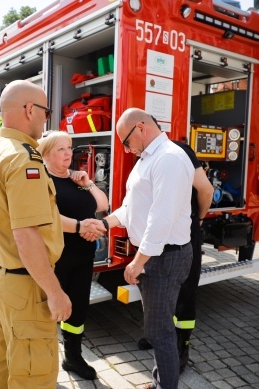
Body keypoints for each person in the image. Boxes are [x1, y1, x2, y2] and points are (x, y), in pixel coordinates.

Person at [0, 80, 104, 389]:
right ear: (30, 109)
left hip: (3, 277)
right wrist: (56, 292)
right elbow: (27, 234)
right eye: (46, 111)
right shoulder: (24, 160)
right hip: (27, 286)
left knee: (3, 361)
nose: (46, 118)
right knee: (33, 376)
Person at [99, 108, 194, 389]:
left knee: (159, 330)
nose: (126, 150)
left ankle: (166, 386)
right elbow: (132, 208)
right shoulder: (147, 159)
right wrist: (104, 223)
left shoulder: (169, 159)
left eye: (126, 142)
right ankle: (160, 380)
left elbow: (160, 219)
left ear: (140, 127)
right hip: (157, 256)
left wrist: (138, 261)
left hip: (165, 258)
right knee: (158, 326)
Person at [137, 140, 214, 373]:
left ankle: (182, 346)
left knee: (185, 292)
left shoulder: (180, 151)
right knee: (157, 289)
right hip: (156, 232)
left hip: (183, 231)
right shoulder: (146, 156)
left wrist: (197, 219)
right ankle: (159, 336)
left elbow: (206, 189)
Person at [37, 131, 109, 380]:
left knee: (77, 309)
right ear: (46, 153)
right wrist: (83, 227)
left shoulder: (75, 178)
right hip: (57, 258)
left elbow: (103, 205)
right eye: (61, 149)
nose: (68, 153)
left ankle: (73, 357)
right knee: (48, 312)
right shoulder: (42, 180)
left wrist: (88, 183)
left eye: (69, 148)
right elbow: (46, 218)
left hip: (83, 256)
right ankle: (44, 366)